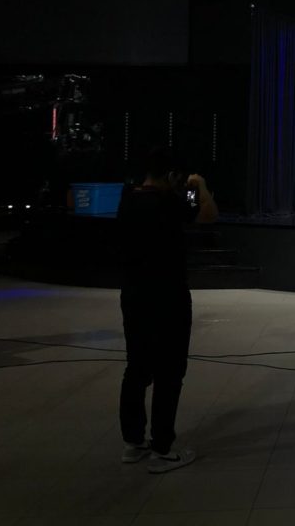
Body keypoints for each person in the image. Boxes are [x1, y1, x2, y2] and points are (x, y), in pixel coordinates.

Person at [116, 147, 217, 474]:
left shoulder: (128, 200)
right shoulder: (170, 203)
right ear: (172, 176)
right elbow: (207, 214)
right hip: (168, 297)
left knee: (137, 368)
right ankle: (162, 448)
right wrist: (199, 186)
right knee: (169, 372)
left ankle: (134, 442)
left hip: (134, 296)